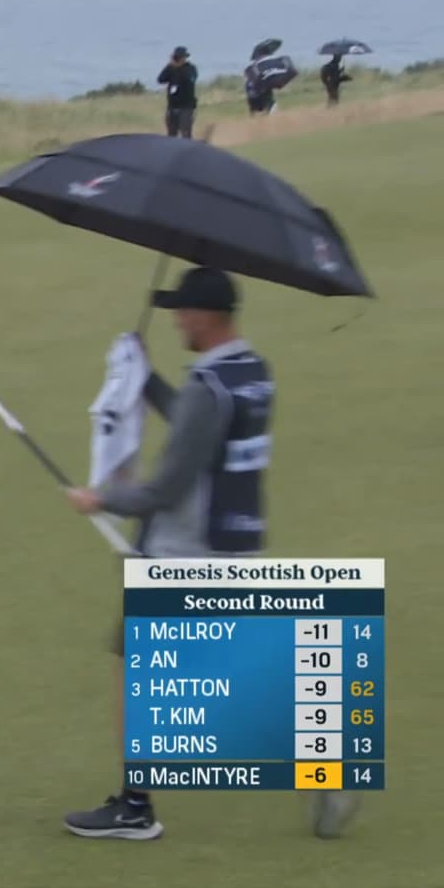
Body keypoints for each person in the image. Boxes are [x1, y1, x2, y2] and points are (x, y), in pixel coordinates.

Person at [57, 268, 362, 841]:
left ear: (206, 315)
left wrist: (99, 498)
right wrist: (145, 379)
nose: (176, 321)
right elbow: (199, 426)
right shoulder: (251, 373)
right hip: (237, 547)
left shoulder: (207, 387)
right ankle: (327, 772)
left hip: (186, 554)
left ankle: (135, 807)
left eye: (181, 311)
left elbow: (164, 489)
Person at [158, 46, 199, 138]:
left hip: (186, 107)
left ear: (185, 58)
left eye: (180, 57)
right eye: (177, 57)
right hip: (172, 107)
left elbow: (190, 79)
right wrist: (169, 66)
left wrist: (179, 68)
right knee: (171, 135)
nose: (179, 59)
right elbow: (160, 79)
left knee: (185, 133)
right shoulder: (171, 68)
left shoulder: (190, 68)